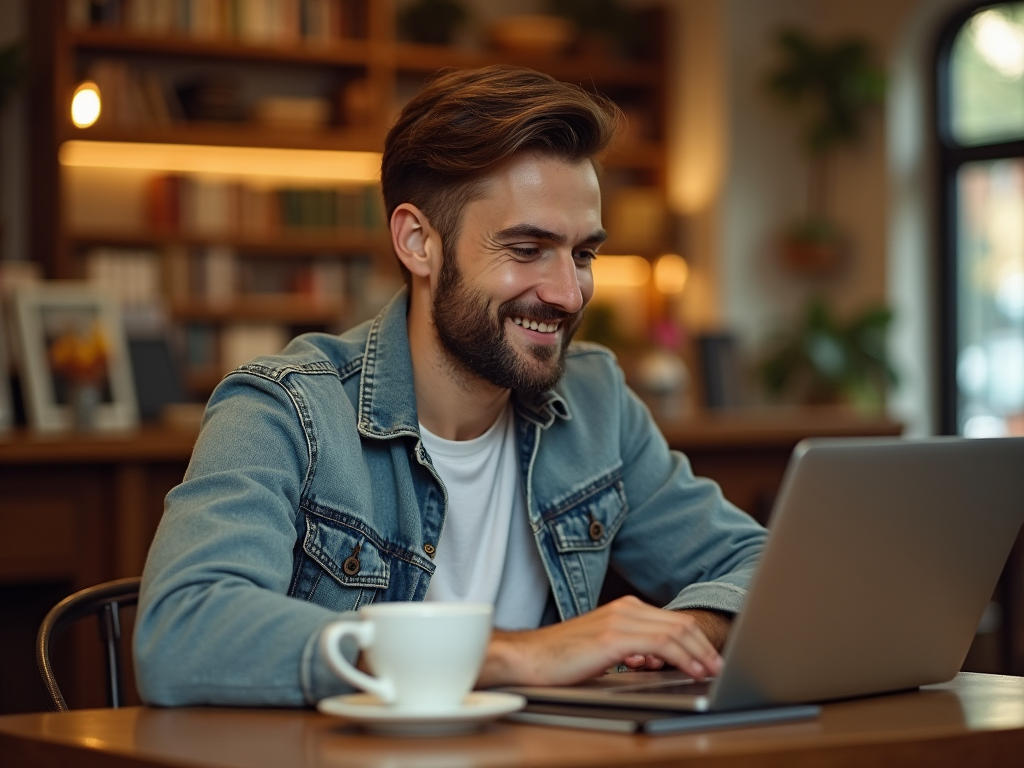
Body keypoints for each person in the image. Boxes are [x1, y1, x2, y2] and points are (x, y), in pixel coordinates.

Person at [134, 65, 767, 707]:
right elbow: (183, 633)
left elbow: (762, 569)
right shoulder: (283, 409)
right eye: (526, 250)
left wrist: (681, 633)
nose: (568, 294)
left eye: (582, 255)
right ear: (418, 243)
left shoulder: (596, 399)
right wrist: (513, 655)